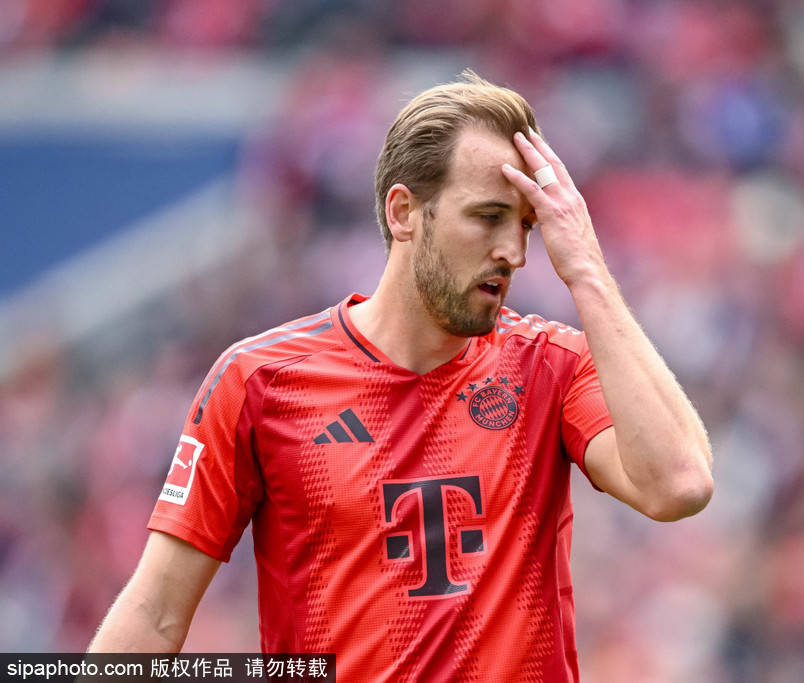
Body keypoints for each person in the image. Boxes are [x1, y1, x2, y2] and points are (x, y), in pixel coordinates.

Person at [88, 71, 714, 681]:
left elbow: (679, 486)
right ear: (404, 212)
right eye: (488, 217)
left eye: (526, 225)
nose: (515, 253)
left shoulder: (550, 365)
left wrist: (588, 273)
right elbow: (156, 613)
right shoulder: (260, 381)